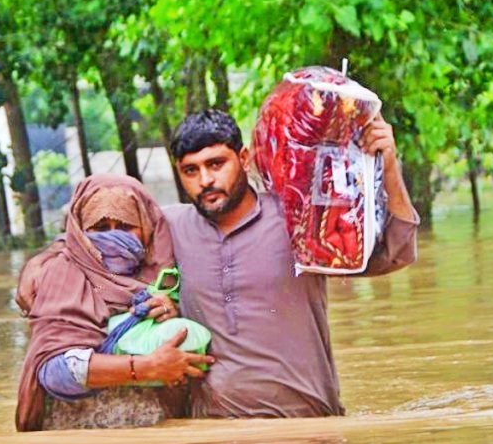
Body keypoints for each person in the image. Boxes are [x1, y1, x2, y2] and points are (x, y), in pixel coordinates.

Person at [164, 109, 419, 418]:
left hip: (307, 424)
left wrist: (389, 164)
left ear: (244, 159)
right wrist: (149, 299)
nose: (205, 180)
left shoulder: (300, 219)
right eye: (190, 171)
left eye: (216, 164)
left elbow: (397, 252)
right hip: (216, 435)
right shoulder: (170, 228)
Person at [14, 174, 214, 431]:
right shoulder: (64, 273)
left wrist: (168, 310)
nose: (113, 238)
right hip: (83, 443)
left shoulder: (162, 275)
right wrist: (146, 368)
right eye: (100, 228)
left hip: (157, 442)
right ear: (81, 233)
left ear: (146, 226)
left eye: (125, 226)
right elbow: (55, 372)